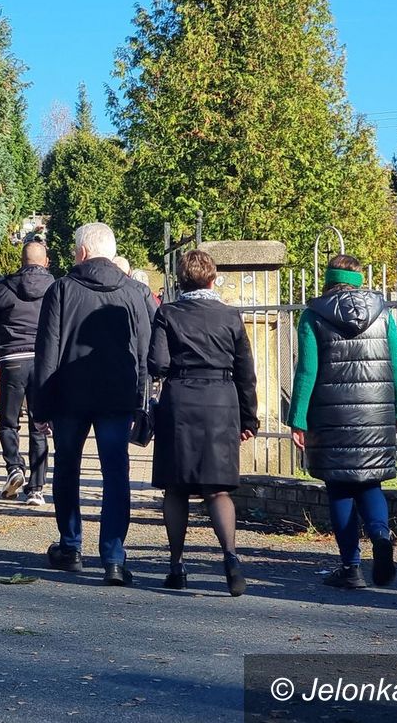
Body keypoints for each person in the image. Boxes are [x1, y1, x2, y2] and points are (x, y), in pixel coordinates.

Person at [32, 223, 155, 585]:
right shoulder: (135, 291)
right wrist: (143, 400)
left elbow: (48, 350)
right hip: (118, 396)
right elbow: (146, 351)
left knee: (67, 469)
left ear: (83, 252)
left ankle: (71, 547)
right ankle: (114, 557)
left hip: (69, 395)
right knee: (116, 474)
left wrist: (41, 405)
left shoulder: (63, 289)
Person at [288, 254, 397, 589]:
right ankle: (380, 533)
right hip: (376, 412)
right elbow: (395, 366)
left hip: (331, 416)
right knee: (370, 482)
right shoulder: (383, 315)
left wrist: (298, 418)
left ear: (328, 280)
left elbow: (307, 371)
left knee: (340, 487)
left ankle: (350, 567)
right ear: (358, 280)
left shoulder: (313, 315)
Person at [148, 250, 259, 596]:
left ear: (181, 281)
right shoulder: (230, 316)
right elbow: (246, 372)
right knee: (218, 489)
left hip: (180, 401)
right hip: (221, 401)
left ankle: (177, 565)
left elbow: (157, 363)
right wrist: (248, 418)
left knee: (176, 488)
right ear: (213, 279)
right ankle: (231, 558)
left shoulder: (168, 313)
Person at [0, 240, 54, 506]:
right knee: (40, 423)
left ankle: (14, 468)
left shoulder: (4, 287)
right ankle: (37, 489)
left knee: (9, 421)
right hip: (44, 360)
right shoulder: (55, 287)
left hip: (12, 359)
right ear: (46, 262)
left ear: (21, 261)